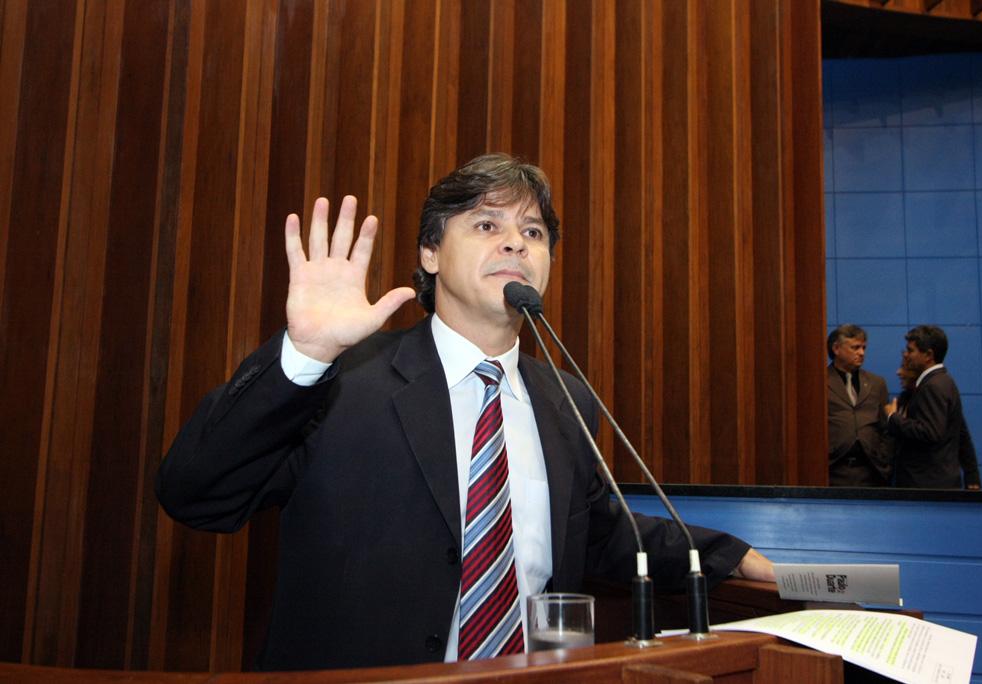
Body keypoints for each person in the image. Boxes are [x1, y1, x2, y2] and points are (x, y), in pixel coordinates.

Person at [156, 153, 774, 671]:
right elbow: (197, 495)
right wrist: (305, 357)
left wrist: (728, 556)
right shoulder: (346, 379)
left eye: (534, 233)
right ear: (430, 253)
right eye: (485, 224)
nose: (515, 242)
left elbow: (600, 531)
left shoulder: (566, 398)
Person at [884, 325, 977, 489]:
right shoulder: (944, 381)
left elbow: (929, 431)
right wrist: (972, 475)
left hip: (927, 483)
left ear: (928, 355)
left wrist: (893, 418)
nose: (906, 355)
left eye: (910, 350)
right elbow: (960, 432)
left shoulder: (932, 386)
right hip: (937, 481)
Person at [893, 360, 981, 490]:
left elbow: (961, 435)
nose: (899, 372)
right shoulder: (903, 399)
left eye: (904, 368)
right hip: (909, 481)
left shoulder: (935, 392)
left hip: (933, 483)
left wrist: (972, 474)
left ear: (917, 373)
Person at [826, 325, 893, 486]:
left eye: (864, 348)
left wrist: (884, 457)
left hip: (871, 471)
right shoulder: (819, 381)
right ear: (836, 348)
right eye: (855, 347)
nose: (862, 353)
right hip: (833, 470)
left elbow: (886, 427)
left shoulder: (877, 383)